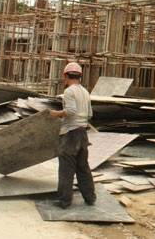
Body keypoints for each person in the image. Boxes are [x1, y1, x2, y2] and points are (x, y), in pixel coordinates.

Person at [50, 62, 95, 209]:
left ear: (65, 76)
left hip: (70, 134)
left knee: (66, 168)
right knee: (83, 167)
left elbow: (70, 111)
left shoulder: (69, 91)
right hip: (82, 134)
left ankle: (64, 201)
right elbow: (90, 114)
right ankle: (90, 197)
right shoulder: (85, 92)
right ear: (80, 76)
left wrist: (55, 114)